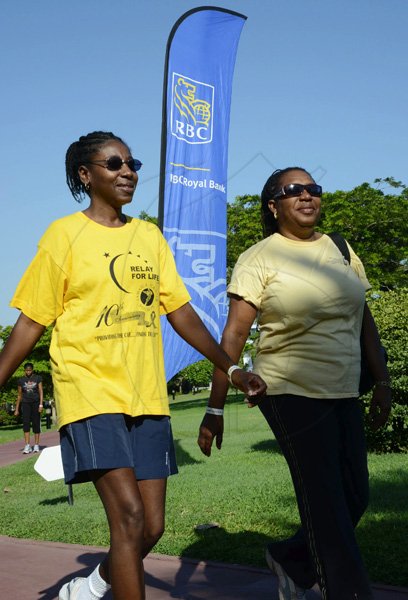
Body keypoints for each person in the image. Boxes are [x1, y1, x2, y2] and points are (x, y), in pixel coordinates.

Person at [0, 131, 266, 600]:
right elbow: (29, 323)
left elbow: (181, 313)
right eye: (114, 163)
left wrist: (231, 367)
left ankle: (88, 589)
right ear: (86, 175)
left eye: (132, 163)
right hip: (89, 390)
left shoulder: (148, 236)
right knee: (128, 517)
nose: (128, 171)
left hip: (146, 394)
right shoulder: (63, 235)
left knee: (152, 526)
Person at [198, 167, 391, 600]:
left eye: (313, 189)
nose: (307, 196)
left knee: (355, 494)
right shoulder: (259, 257)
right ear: (273, 204)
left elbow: (364, 319)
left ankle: (291, 559)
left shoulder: (340, 248)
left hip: (343, 387)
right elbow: (233, 335)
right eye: (293, 191)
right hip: (286, 390)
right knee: (327, 507)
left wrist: (382, 380)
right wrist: (214, 406)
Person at [14, 362, 43, 453]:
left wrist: (41, 404)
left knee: (36, 424)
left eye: (30, 370)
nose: (28, 372)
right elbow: (19, 395)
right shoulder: (21, 380)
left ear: (32, 370)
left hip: (35, 403)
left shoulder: (37, 378)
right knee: (26, 424)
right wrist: (16, 409)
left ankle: (36, 445)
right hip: (25, 404)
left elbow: (41, 391)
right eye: (27, 370)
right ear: (24, 370)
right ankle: (27, 446)